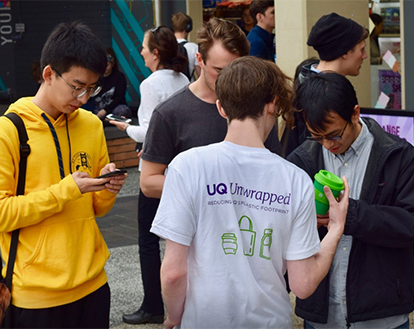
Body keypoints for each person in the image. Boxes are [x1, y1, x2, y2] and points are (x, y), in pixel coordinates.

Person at [151, 56, 350, 329]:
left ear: (221, 108)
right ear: (273, 104)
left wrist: (174, 317)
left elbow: (173, 273)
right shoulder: (295, 180)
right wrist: (336, 228)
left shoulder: (187, 166)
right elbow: (302, 285)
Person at [0, 22, 127, 329]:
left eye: (91, 88)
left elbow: (96, 209)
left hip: (94, 286)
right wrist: (64, 191)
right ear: (48, 74)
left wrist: (106, 188)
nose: (84, 98)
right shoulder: (5, 133)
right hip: (35, 297)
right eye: (76, 86)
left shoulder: (91, 126)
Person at [137, 17, 281, 325]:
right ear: (199, 60)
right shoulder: (171, 113)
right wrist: (208, 187)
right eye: (221, 70)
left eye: (238, 69)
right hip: (202, 253)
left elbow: (277, 169)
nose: (232, 80)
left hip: (257, 253)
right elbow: (148, 182)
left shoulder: (259, 109)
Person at [287, 72, 414, 329]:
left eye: (333, 134)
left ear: (355, 113)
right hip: (320, 314)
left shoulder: (399, 156)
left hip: (381, 314)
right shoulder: (301, 161)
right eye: (316, 136)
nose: (326, 144)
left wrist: (350, 215)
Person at [114, 25, 189, 325]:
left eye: (145, 47)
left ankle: (153, 306)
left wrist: (124, 128)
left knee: (147, 240)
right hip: (182, 167)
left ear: (156, 53)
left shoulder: (150, 84)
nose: (141, 51)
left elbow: (148, 130)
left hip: (156, 170)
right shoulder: (183, 78)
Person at [282, 13, 369, 157]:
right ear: (345, 52)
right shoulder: (315, 99)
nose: (365, 55)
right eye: (361, 49)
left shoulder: (305, 83)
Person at [83, 48, 131, 122]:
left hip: (112, 108)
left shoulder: (119, 77)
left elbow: (119, 97)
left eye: (107, 65)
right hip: (96, 108)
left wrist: (105, 110)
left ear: (112, 64)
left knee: (123, 110)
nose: (105, 68)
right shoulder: (95, 76)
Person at [171, 12, 200, 81]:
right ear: (188, 28)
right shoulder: (193, 48)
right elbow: (200, 74)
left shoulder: (167, 46)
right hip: (188, 86)